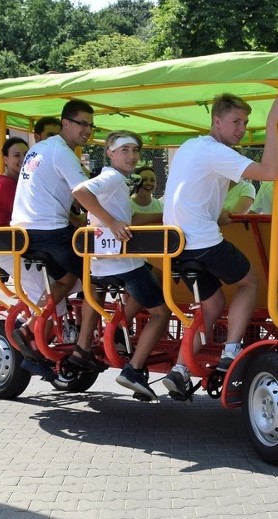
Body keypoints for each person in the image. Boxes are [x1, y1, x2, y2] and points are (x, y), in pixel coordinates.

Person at [160, 91, 278, 398]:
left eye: (245, 122)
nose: (241, 128)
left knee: (214, 303)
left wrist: (217, 215)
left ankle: (179, 370)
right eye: (235, 122)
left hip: (176, 244)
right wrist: (272, 123)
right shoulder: (214, 151)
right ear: (216, 121)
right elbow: (270, 172)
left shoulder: (191, 147)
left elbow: (193, 192)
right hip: (200, 240)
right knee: (249, 282)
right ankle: (231, 350)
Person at [72, 131, 172, 399]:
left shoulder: (120, 181)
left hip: (103, 266)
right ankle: (134, 369)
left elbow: (130, 216)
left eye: (135, 150)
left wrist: (165, 215)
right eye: (125, 150)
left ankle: (114, 335)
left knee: (150, 283)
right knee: (162, 313)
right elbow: (80, 192)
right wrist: (112, 223)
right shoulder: (113, 177)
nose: (132, 155)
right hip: (122, 266)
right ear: (110, 153)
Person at [10, 100, 94, 364]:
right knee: (97, 276)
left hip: (26, 231)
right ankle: (83, 348)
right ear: (65, 123)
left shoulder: (40, 149)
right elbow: (84, 193)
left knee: (68, 280)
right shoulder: (63, 152)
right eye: (82, 124)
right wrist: (111, 220)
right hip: (49, 231)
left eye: (91, 125)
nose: (87, 130)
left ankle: (30, 327)